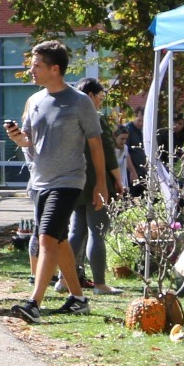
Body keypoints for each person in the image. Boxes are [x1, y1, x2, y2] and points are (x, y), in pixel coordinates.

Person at [5, 41, 109, 323]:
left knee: (47, 237)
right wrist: (17, 137)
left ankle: (33, 303)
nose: (31, 70)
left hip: (69, 180)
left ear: (55, 69)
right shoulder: (35, 101)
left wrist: (101, 182)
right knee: (60, 239)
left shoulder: (79, 102)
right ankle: (78, 298)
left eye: (37, 65)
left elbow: (96, 145)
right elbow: (28, 140)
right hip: (40, 181)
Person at [74, 79, 118, 295]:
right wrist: (118, 179)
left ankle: (66, 279)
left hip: (76, 179)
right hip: (96, 180)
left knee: (77, 230)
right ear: (90, 95)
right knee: (97, 231)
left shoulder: (71, 117)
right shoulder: (96, 118)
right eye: (100, 96)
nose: (101, 101)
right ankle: (100, 283)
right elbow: (108, 151)